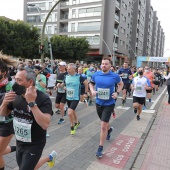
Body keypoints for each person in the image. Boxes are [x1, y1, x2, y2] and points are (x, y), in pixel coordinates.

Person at [0, 68, 57, 170]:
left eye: (19, 80)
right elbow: (3, 114)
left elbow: (45, 124)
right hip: (20, 142)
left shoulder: (43, 98)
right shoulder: (15, 95)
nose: (15, 83)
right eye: (15, 79)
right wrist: (4, 103)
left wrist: (31, 103)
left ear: (30, 82)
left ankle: (49, 158)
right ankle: (49, 158)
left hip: (34, 144)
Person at [89, 57, 123, 158]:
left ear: (110, 65)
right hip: (99, 102)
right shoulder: (96, 74)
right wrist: (92, 91)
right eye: (103, 64)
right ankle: (109, 130)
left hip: (109, 103)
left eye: (106, 64)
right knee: (105, 122)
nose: (104, 65)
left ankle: (100, 148)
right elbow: (91, 83)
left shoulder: (114, 76)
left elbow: (121, 84)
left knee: (103, 125)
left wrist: (117, 92)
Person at [58, 63, 88, 135]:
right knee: (73, 111)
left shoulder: (79, 76)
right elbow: (63, 84)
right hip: (68, 97)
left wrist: (85, 93)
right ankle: (77, 122)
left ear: (74, 69)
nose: (68, 70)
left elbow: (86, 83)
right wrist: (60, 85)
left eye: (69, 69)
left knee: (69, 112)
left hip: (75, 97)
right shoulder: (66, 76)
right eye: (67, 69)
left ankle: (72, 126)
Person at [0, 52, 17, 170]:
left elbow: (10, 110)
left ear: (3, 72)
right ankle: (19, 147)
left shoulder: (10, 87)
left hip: (7, 123)